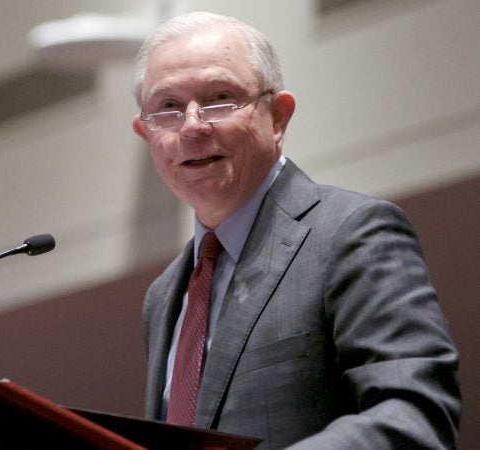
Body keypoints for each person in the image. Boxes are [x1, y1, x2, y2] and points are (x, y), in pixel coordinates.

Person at [131, 11, 461, 449]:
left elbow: (416, 412)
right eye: (168, 108)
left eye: (220, 97)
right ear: (145, 133)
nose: (192, 125)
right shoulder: (164, 295)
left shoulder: (351, 233)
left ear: (278, 116)